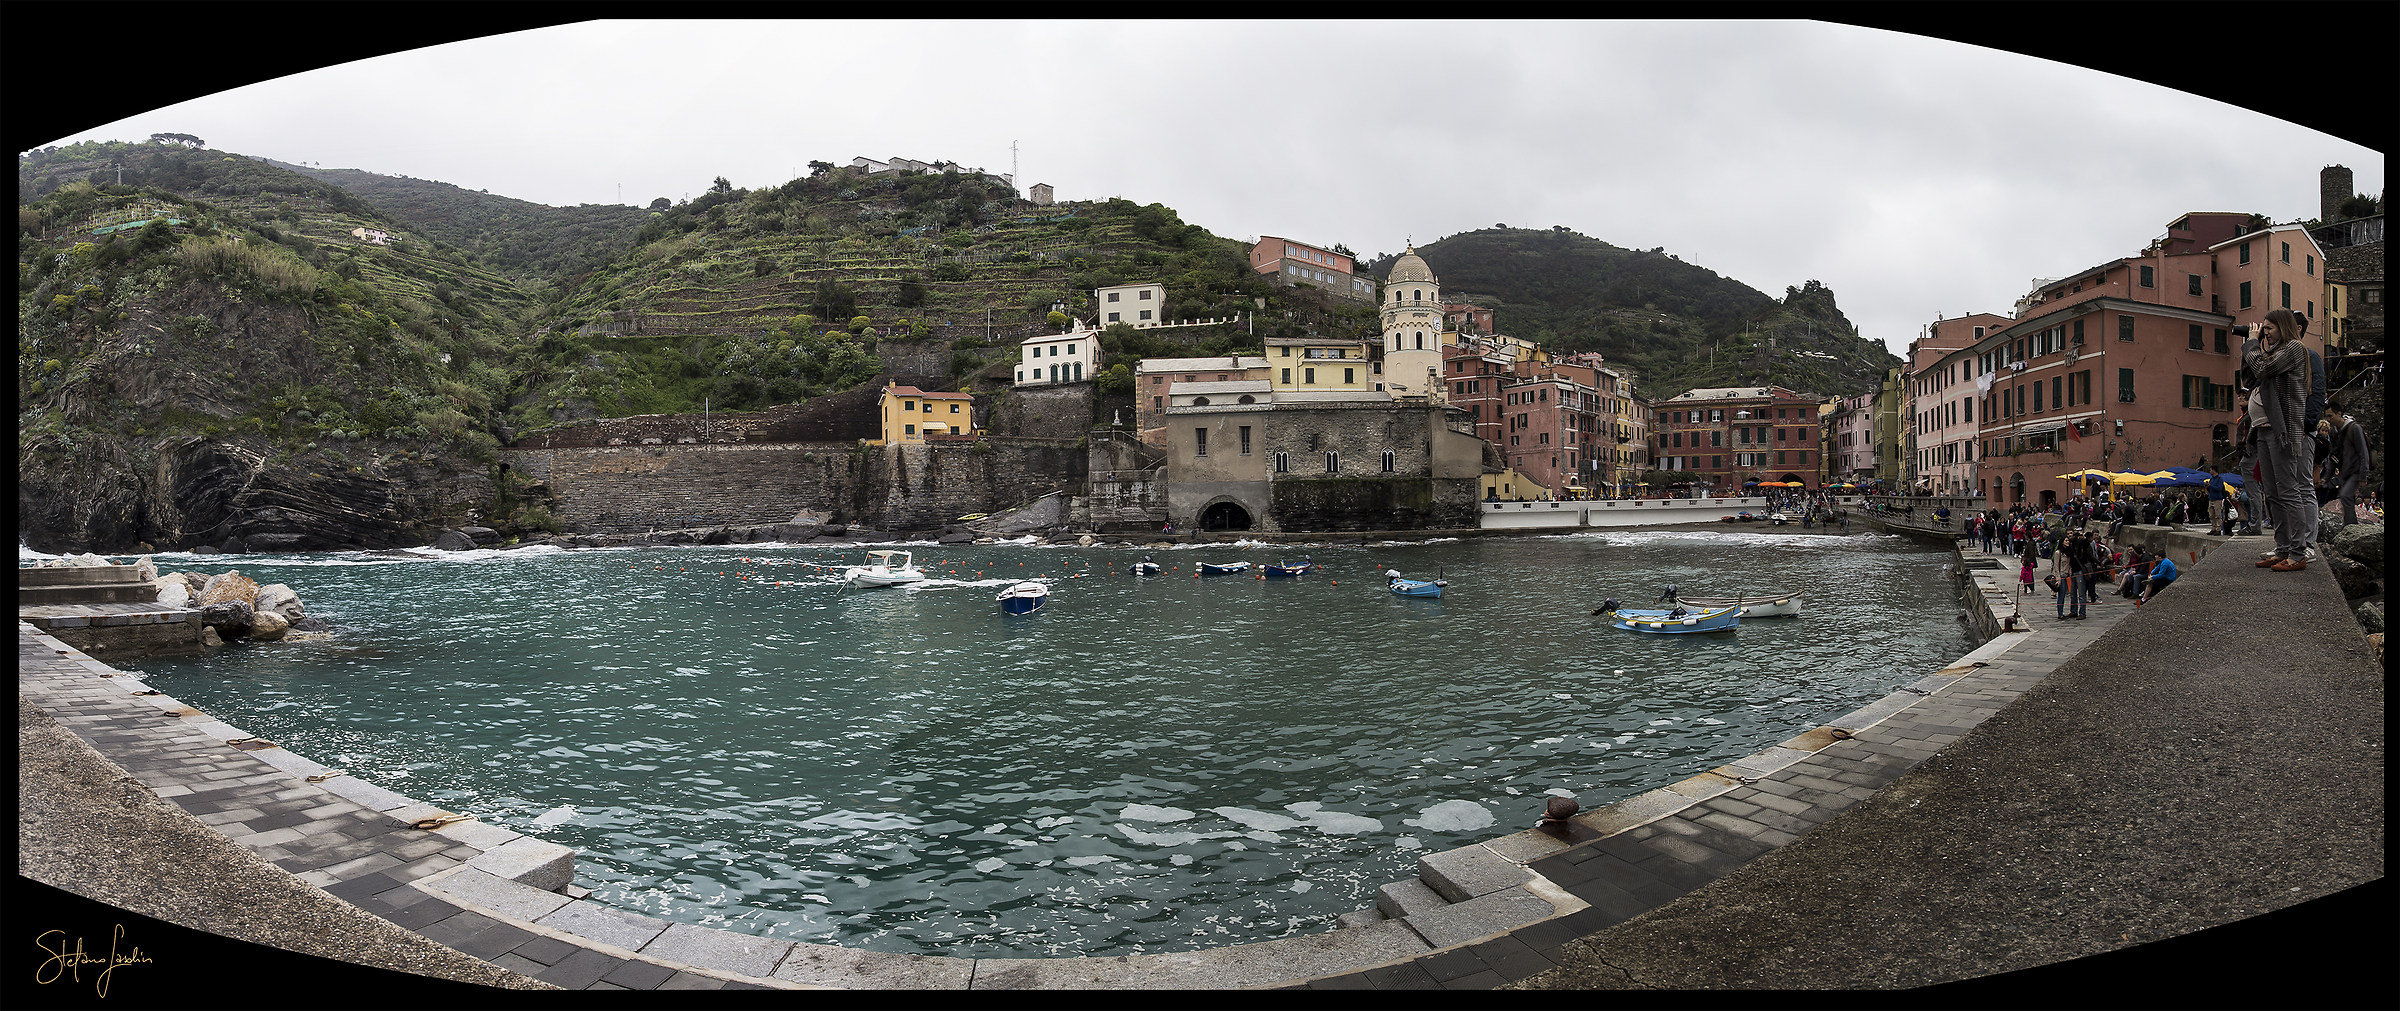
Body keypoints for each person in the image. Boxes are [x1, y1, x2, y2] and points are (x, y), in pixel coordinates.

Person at [2243, 308, 2318, 571]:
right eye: (2263, 328)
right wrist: (2255, 347)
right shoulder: (2273, 352)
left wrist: (2252, 344)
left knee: (2289, 491)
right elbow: (2251, 374)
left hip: (2282, 430)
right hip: (2263, 430)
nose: (2264, 332)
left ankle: (2297, 553)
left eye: (2269, 328)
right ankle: (2283, 547)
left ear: (2283, 328)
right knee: (2273, 493)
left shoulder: (2294, 349)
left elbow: (2262, 369)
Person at [2323, 400, 2370, 525]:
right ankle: (2349, 524)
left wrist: (2363, 474)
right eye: (2327, 416)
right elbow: (2333, 455)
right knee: (2345, 499)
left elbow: (2363, 452)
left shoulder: (2354, 428)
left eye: (2330, 416)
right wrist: (2327, 477)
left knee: (2346, 496)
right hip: (2344, 472)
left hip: (2355, 470)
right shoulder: (2334, 432)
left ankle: (2351, 526)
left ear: (2339, 413)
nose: (2328, 419)